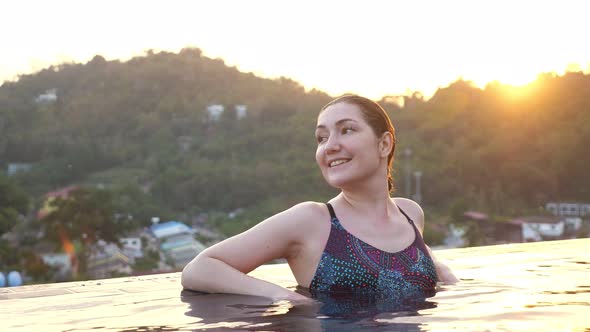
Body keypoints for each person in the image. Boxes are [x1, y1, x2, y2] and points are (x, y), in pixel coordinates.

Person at [181, 95, 458, 302]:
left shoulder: (410, 213)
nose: (330, 145)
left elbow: (416, 262)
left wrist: (441, 270)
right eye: (321, 137)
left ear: (384, 144)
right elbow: (199, 269)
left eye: (346, 129)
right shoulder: (312, 220)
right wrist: (287, 298)